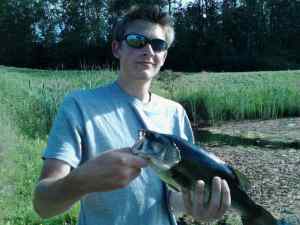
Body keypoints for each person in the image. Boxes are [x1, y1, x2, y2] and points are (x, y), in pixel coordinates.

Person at [33, 5, 231, 225]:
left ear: (164, 56)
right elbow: (43, 205)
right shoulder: (78, 105)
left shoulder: (175, 112)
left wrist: (197, 206)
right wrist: (83, 180)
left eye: (158, 45)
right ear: (117, 48)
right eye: (137, 41)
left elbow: (172, 199)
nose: (148, 50)